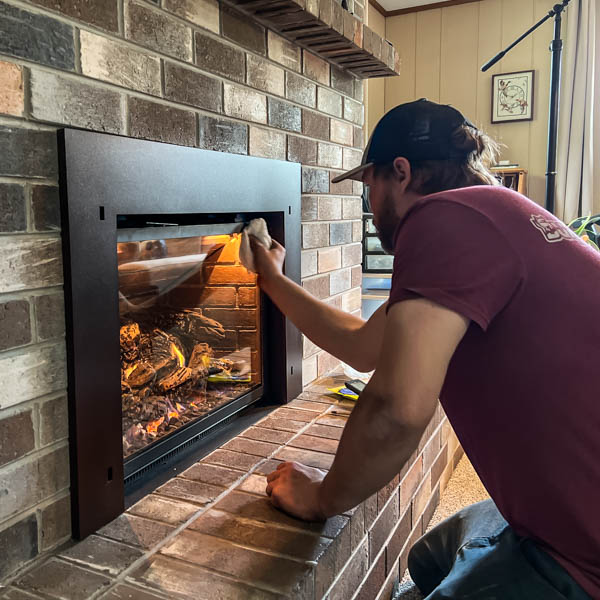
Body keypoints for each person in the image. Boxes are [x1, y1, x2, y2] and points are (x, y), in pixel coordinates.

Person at [250, 99, 599, 599]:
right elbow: (362, 344)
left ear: (402, 172)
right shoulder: (494, 217)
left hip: (582, 555)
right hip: (565, 514)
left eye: (369, 186)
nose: (370, 206)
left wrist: (323, 497)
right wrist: (272, 280)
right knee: (427, 559)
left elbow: (396, 410)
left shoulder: (443, 219)